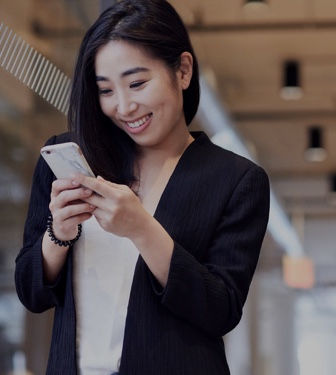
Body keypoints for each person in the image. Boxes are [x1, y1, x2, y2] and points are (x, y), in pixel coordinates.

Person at [15, 0, 270, 374]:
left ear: (182, 70)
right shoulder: (72, 163)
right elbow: (30, 292)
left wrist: (142, 229)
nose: (123, 106)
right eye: (105, 90)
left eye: (137, 83)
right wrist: (60, 233)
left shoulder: (234, 180)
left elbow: (221, 310)